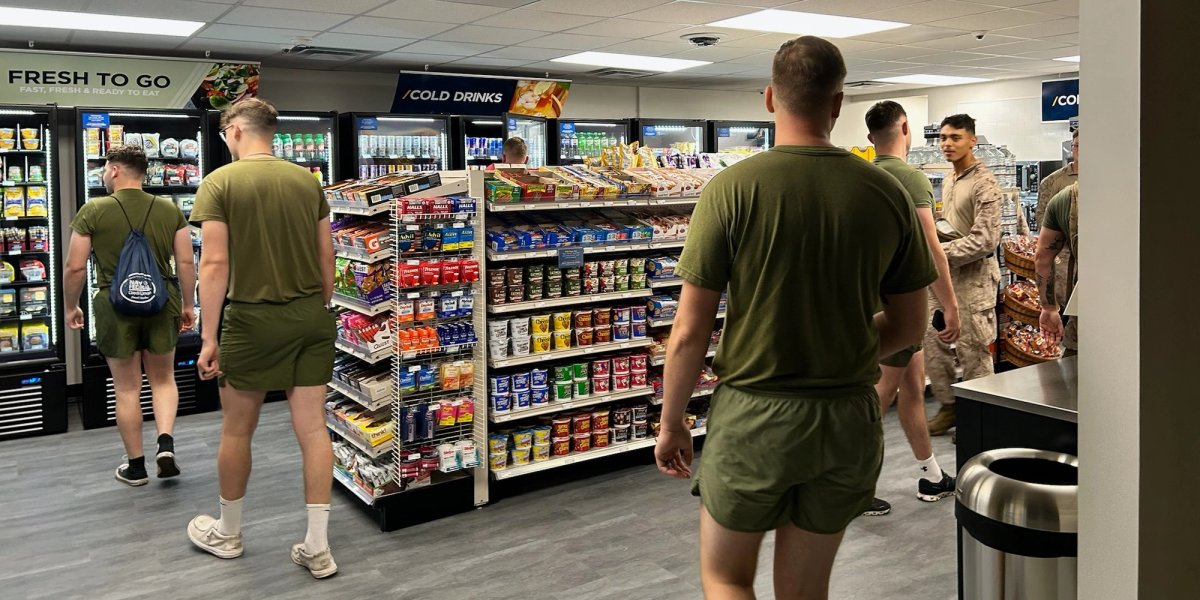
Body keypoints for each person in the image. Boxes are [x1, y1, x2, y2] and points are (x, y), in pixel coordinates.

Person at [654, 36, 936, 599]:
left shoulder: (731, 189)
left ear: (768, 99)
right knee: (806, 592)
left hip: (754, 417)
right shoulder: (885, 193)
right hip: (844, 420)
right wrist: (839, 344)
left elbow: (688, 332)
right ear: (837, 104)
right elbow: (909, 326)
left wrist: (672, 422)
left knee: (726, 578)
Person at [185, 98, 338, 578]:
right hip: (311, 316)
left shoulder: (220, 183)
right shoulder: (306, 181)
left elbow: (213, 265)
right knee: (313, 429)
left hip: (251, 321)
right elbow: (326, 256)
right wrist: (320, 303)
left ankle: (228, 534)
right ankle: (318, 546)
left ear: (233, 131)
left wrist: (208, 337)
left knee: (236, 429)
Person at [63, 144, 195, 486]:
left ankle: (135, 467)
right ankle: (165, 443)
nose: (104, 175)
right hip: (162, 300)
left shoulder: (93, 209)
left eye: (105, 169)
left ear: (116, 170)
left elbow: (75, 267)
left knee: (127, 389)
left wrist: (70, 305)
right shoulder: (168, 210)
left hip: (114, 303)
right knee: (163, 380)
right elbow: (185, 262)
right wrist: (189, 305)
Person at [861, 101, 960, 517]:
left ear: (870, 139)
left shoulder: (861, 174)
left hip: (869, 300)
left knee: (911, 389)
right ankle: (851, 487)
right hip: (901, 303)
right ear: (906, 128)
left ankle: (932, 475)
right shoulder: (910, 178)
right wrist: (951, 305)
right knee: (876, 398)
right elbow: (930, 247)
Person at [924, 114, 1003, 436]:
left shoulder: (986, 184)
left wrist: (940, 255)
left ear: (972, 139)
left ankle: (979, 415)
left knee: (973, 349)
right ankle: (949, 405)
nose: (947, 144)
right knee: (934, 341)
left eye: (955, 137)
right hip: (944, 277)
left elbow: (986, 240)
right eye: (943, 138)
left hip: (975, 279)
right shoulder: (950, 179)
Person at [1037, 129, 1081, 355]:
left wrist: (1047, 307)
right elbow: (1044, 253)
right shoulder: (1058, 189)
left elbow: (1042, 257)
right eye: (1077, 146)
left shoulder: (1067, 197)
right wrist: (1049, 305)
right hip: (1073, 282)